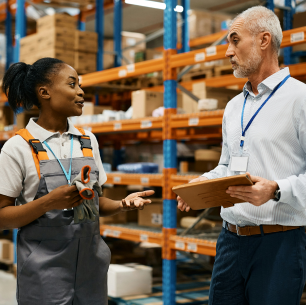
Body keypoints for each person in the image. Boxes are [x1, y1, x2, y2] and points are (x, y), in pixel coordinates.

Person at [177, 6, 306, 305]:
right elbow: (227, 164)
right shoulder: (234, 106)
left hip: (280, 243)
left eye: (235, 40)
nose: (227, 52)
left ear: (263, 40)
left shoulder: (300, 99)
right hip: (230, 242)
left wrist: (275, 190)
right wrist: (201, 186)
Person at [0, 58, 154, 305]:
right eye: (72, 84)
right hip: (44, 271)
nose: (81, 91)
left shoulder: (87, 141)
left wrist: (123, 204)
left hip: (91, 267)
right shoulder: (17, 148)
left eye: (79, 85)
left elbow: (95, 203)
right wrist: (48, 202)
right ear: (45, 92)